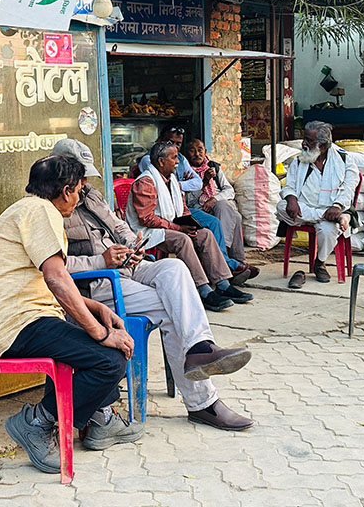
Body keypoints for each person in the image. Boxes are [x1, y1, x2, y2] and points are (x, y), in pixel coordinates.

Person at [53, 139, 255, 430]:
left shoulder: (90, 195)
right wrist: (101, 260)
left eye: (85, 176)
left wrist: (130, 243)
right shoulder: (50, 208)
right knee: (173, 311)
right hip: (96, 284)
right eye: (78, 176)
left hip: (126, 267)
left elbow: (118, 224)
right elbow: (55, 270)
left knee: (174, 268)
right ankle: (203, 403)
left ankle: (201, 345)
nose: (83, 182)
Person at [0, 155, 142, 475]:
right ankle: (36, 423)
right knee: (110, 359)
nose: (79, 197)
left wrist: (97, 308)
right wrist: (100, 332)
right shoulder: (43, 212)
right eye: (79, 190)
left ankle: (100, 420)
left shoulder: (27, 209)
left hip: (23, 319)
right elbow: (55, 278)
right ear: (66, 191)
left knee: (88, 346)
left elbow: (51, 283)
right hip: (19, 325)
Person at [128, 141, 252, 311]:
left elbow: (183, 208)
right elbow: (146, 219)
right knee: (183, 240)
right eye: (174, 158)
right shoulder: (146, 183)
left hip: (169, 226)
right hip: (149, 232)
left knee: (205, 234)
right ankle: (203, 290)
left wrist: (189, 223)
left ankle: (222, 284)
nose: (178, 162)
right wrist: (179, 228)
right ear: (161, 161)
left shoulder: (171, 180)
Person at [278, 121, 361, 288]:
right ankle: (335, 218)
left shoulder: (344, 160)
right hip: (305, 209)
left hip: (331, 209)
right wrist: (291, 199)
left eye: (309, 140)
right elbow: (289, 185)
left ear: (322, 146)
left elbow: (349, 190)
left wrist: (337, 207)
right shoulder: (299, 160)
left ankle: (320, 262)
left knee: (328, 230)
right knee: (281, 207)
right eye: (304, 139)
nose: (303, 143)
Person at [185, 138, 250, 268]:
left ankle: (231, 257)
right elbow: (188, 201)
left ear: (205, 151)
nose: (197, 154)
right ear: (187, 154)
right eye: (192, 151)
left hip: (218, 205)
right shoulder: (186, 172)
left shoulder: (213, 167)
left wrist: (214, 199)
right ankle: (229, 259)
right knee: (235, 217)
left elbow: (229, 190)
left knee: (224, 206)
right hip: (198, 208)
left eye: (200, 150)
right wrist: (204, 182)